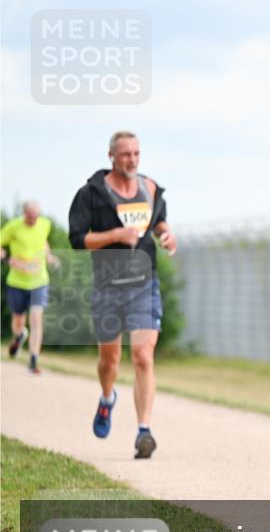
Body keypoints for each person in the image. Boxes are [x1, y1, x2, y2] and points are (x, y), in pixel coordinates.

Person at [69, 131, 177, 459]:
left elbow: (159, 221)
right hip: (107, 287)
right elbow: (77, 239)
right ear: (111, 156)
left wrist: (166, 234)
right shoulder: (90, 194)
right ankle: (106, 399)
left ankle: (144, 431)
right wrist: (115, 234)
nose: (132, 159)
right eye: (126, 154)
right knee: (110, 360)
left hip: (144, 283)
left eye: (137, 153)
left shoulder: (150, 188)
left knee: (144, 355)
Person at [1, 200, 59, 373]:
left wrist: (49, 256)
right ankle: (19, 335)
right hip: (17, 281)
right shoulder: (13, 226)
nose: (33, 220)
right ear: (24, 213)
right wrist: (7, 260)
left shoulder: (45, 224)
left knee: (36, 318)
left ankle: (33, 358)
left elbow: (43, 242)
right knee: (18, 320)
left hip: (39, 280)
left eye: (36, 217)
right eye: (30, 217)